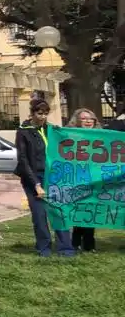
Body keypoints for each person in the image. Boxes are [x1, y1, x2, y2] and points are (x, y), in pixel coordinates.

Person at [14, 98, 74, 257]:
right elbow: (23, 160)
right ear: (32, 113)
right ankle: (44, 248)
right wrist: (36, 184)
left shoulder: (51, 130)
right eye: (39, 113)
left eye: (45, 114)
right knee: (39, 214)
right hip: (33, 177)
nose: (42, 117)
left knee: (59, 211)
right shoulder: (23, 131)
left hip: (54, 177)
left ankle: (65, 248)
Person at [68, 108, 99, 251]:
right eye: (84, 119)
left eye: (90, 118)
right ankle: (76, 241)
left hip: (96, 179)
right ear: (77, 121)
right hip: (78, 179)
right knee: (80, 211)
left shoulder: (101, 136)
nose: (88, 121)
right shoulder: (71, 136)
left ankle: (88, 243)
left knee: (92, 211)